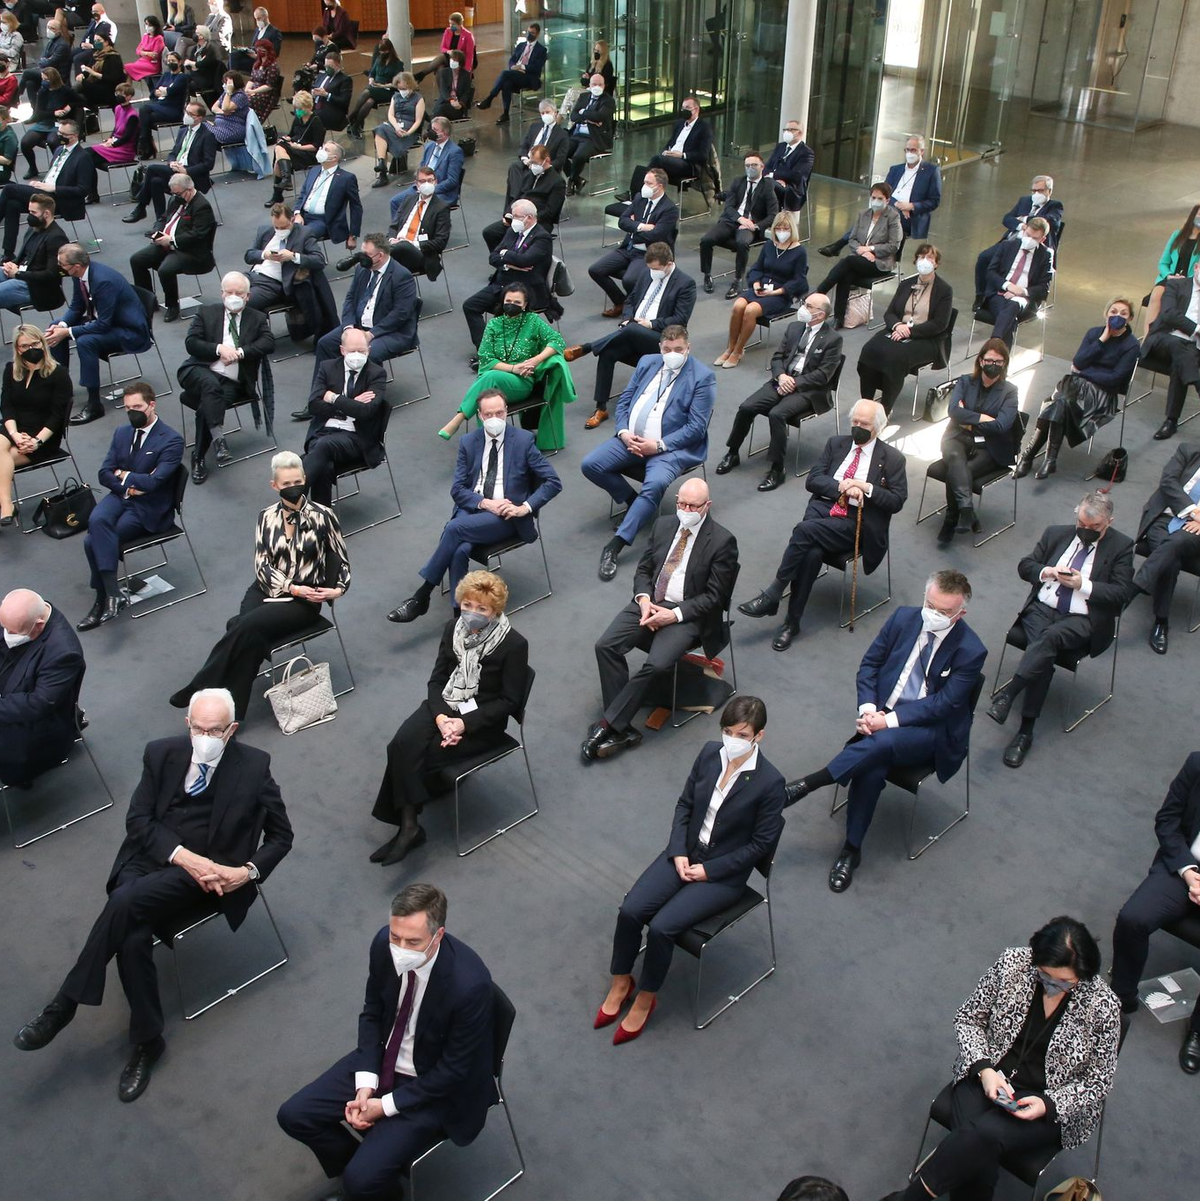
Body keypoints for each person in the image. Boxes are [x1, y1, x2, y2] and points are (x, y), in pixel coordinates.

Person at [12, 687, 292, 1103]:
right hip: (155, 858)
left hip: (209, 876)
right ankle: (148, 1040)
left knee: (124, 904)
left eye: (215, 729)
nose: (206, 735)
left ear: (231, 729)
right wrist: (183, 857)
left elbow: (281, 836)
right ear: (187, 724)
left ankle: (64, 1004)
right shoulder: (161, 753)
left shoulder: (255, 766)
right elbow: (138, 821)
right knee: (132, 936)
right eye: (199, 727)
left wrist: (245, 872)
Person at [878, 917, 1120, 1201]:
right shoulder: (1013, 964)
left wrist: (1048, 1104)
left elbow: (1097, 1082)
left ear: (1083, 974)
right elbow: (968, 1019)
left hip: (1047, 1100)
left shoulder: (1103, 1006)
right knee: (979, 1156)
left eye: (1065, 983)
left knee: (981, 1138)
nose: (1053, 986)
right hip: (986, 1075)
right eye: (1045, 976)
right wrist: (984, 1069)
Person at [276, 884, 495, 1193]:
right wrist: (366, 1082)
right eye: (396, 937)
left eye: (413, 941)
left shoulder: (469, 986)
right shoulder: (383, 944)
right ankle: (369, 1178)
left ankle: (368, 1183)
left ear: (439, 936)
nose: (400, 949)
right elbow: (372, 1011)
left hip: (432, 1088)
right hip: (383, 1062)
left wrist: (385, 1106)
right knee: (294, 1115)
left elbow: (452, 1073)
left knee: (359, 1180)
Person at [782, 570, 985, 889]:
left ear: (960, 614)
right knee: (873, 765)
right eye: (929, 605)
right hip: (882, 718)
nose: (933, 615)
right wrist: (867, 710)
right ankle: (852, 848)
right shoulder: (903, 618)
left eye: (943, 612)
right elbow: (870, 665)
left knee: (880, 741)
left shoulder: (971, 650)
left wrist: (885, 722)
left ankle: (810, 783)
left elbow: (942, 706)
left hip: (931, 731)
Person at [598, 695, 784, 1041]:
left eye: (742, 734)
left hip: (722, 874)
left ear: (759, 736)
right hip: (686, 851)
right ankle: (622, 979)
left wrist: (709, 871)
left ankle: (646, 998)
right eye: (728, 731)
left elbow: (759, 846)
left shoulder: (770, 783)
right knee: (630, 910)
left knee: (662, 928)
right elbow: (685, 804)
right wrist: (678, 850)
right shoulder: (709, 754)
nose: (732, 740)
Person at [170, 453, 350, 719]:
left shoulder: (324, 516)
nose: (293, 487)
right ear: (274, 486)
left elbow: (342, 560)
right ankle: (233, 714)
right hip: (267, 589)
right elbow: (262, 565)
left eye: (298, 481)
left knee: (242, 626)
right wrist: (290, 586)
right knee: (248, 634)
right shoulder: (265, 517)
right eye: (286, 483)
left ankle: (203, 684)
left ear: (305, 480)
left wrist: (337, 590)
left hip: (303, 601)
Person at [372, 572, 529, 864]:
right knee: (400, 744)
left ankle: (409, 829)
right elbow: (436, 681)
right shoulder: (451, 630)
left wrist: (462, 724)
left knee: (420, 753)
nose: (472, 613)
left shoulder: (514, 645)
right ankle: (409, 826)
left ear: (495, 610)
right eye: (468, 605)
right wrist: (442, 718)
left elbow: (510, 701)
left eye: (481, 608)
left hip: (482, 723)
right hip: (446, 703)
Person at [583, 478, 737, 761]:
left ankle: (608, 725)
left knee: (656, 665)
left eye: (692, 505)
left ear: (707, 506)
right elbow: (643, 570)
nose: (685, 509)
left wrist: (673, 614)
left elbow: (714, 598)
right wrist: (644, 600)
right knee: (605, 645)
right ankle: (621, 726)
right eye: (681, 503)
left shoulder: (722, 541)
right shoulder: (664, 525)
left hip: (687, 614)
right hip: (650, 602)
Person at [737, 400, 907, 650]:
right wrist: (842, 485)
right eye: (855, 422)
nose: (857, 427)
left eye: (864, 424)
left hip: (856, 522)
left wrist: (866, 488)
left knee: (804, 532)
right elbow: (814, 480)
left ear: (879, 427)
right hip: (823, 510)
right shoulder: (836, 444)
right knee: (812, 553)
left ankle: (774, 594)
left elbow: (896, 500)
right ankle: (791, 623)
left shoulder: (892, 459)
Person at [987, 492, 1133, 768]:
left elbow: (1121, 594)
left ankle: (1009, 695)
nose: (1086, 532)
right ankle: (1025, 731)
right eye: (1082, 524)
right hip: (1041, 609)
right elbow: (1025, 566)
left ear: (1109, 522)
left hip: (1081, 618)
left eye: (1095, 528)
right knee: (1044, 652)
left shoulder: (1122, 547)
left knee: (1048, 640)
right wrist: (1048, 572)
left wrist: (1083, 585)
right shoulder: (1056, 534)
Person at [389, 390, 562, 624]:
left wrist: (525, 508)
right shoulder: (468, 442)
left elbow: (553, 482)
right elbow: (457, 490)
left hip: (506, 514)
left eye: (499, 412)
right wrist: (484, 503)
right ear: (480, 416)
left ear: (506, 411)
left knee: (453, 530)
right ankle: (459, 615)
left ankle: (422, 595)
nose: (495, 418)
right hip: (475, 507)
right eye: (488, 414)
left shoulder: (523, 441)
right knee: (459, 550)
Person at [582, 325, 715, 580]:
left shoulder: (702, 377)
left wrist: (659, 445)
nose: (672, 353)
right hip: (630, 439)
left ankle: (616, 545)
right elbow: (624, 401)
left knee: (654, 485)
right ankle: (634, 503)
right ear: (660, 348)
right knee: (591, 464)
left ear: (688, 348)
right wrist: (623, 432)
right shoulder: (647, 362)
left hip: (669, 448)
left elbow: (696, 428)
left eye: (678, 349)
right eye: (667, 349)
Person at [1111, 753, 1200, 1073]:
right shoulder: (1197, 764)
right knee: (1132, 918)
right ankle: (1121, 995)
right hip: (1183, 867)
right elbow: (1167, 820)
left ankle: (1198, 1032)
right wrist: (1189, 872)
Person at [77, 382, 183, 630]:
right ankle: (113, 593)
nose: (132, 412)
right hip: (120, 496)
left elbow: (155, 482)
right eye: (127, 408)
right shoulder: (122, 433)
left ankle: (102, 597)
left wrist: (123, 474)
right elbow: (104, 472)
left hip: (149, 508)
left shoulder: (171, 440)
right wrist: (127, 485)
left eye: (137, 406)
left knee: (91, 541)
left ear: (151, 405)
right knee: (96, 521)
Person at [715, 294, 841, 492]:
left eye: (808, 306)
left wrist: (794, 383)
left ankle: (777, 468)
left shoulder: (833, 339)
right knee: (746, 407)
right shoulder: (794, 328)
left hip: (808, 390)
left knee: (777, 414)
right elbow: (777, 357)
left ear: (820, 314)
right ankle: (733, 452)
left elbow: (823, 376)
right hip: (781, 380)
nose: (803, 308)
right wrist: (781, 376)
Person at [564, 243, 697, 430]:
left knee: (632, 330)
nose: (653, 272)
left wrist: (650, 324)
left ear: (669, 263)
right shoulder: (646, 273)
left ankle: (587, 347)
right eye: (650, 268)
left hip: (661, 340)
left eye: (656, 269)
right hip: (632, 333)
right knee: (608, 351)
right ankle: (600, 408)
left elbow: (680, 320)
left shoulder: (685, 283)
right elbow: (631, 300)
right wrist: (627, 318)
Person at [438, 282, 574, 450]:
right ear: (502, 302)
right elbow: (486, 358)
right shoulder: (494, 325)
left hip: (522, 383)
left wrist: (536, 360)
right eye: (508, 301)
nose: (512, 305)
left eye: (517, 302)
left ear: (525, 305)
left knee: (488, 380)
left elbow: (557, 341)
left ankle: (459, 419)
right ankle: (489, 442)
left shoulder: (532, 321)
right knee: (487, 386)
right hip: (499, 377)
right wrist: (512, 368)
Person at [1016, 299, 1141, 480]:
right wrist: (1102, 340)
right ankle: (1049, 460)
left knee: (1058, 403)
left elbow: (1115, 378)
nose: (1117, 316)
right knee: (1061, 403)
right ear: (1106, 314)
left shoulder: (1131, 345)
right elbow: (1079, 362)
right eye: (1113, 311)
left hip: (1101, 394)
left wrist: (1085, 373)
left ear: (1129, 319)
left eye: (1123, 313)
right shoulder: (1094, 334)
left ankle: (1028, 456)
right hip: (1075, 386)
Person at [177, 272, 273, 484]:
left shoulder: (257, 318)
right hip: (199, 370)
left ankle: (199, 457)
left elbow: (268, 343)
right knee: (210, 385)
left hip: (232, 380)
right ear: (221, 294)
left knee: (207, 405)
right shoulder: (206, 312)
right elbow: (191, 343)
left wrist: (239, 353)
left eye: (239, 293)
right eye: (229, 292)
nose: (233, 296)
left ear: (247, 296)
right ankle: (218, 440)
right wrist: (219, 348)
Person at [49, 242, 150, 427]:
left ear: (76, 266)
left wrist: (68, 332)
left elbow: (103, 325)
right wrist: (62, 326)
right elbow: (77, 307)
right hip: (106, 322)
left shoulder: (103, 280)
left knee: (86, 342)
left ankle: (95, 405)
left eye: (62, 265)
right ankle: (61, 387)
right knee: (55, 326)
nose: (59, 268)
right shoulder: (77, 275)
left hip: (128, 331)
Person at [935, 339, 1020, 544]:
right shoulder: (965, 381)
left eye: (998, 362)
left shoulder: (1010, 391)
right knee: (955, 458)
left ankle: (952, 518)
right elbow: (954, 411)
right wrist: (983, 418)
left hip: (991, 445)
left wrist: (970, 421)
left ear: (1004, 364)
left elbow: (1002, 426)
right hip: (956, 436)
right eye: (989, 360)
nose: (993, 365)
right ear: (981, 361)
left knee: (959, 471)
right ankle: (966, 510)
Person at [856, 243, 953, 414]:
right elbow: (890, 313)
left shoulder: (944, 290)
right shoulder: (906, 284)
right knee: (870, 350)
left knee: (895, 358)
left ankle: (885, 409)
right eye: (921, 257)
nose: (925, 261)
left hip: (926, 338)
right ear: (915, 260)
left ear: (936, 263)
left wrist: (910, 331)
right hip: (897, 330)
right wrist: (898, 326)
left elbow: (940, 324)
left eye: (930, 257)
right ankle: (867, 402)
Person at [0, 588, 84, 786]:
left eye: (12, 631)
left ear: (38, 625)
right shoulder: (14, 616)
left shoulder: (64, 653)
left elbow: (38, 704)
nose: (7, 634)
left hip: (34, 725)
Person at [1127, 442, 1200, 655]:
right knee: (1170, 558)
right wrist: (1193, 512)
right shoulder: (1189, 449)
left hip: (1196, 532)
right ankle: (1161, 621)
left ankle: (1131, 591)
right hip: (1167, 516)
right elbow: (1168, 482)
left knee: (1175, 544)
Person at [301, 327, 386, 507]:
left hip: (356, 438)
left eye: (361, 351)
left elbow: (366, 411)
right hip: (323, 432)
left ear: (368, 350)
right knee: (324, 465)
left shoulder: (376, 374)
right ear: (342, 350)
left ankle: (293, 498)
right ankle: (322, 520)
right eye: (352, 351)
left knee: (322, 448)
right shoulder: (327, 367)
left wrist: (334, 397)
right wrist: (351, 404)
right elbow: (314, 405)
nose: (357, 355)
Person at [713, 212, 808, 370]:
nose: (781, 231)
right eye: (778, 228)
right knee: (738, 306)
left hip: (780, 294)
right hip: (762, 287)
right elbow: (757, 268)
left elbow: (799, 280)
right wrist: (756, 284)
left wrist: (776, 292)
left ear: (792, 229)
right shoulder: (770, 245)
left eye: (785, 228)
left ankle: (737, 351)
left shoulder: (800, 252)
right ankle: (730, 347)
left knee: (750, 310)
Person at [0, 325, 72, 524]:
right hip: (13, 427)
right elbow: (6, 406)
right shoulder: (11, 370)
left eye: (35, 343)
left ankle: (5, 505)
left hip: (43, 434)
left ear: (43, 343)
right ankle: (6, 504)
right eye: (25, 345)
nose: (31, 348)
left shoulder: (59, 374)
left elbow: (57, 416)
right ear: (17, 349)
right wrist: (14, 434)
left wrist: (37, 442)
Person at [461, 198, 554, 349]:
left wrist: (505, 254)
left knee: (506, 312)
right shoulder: (513, 231)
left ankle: (503, 351)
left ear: (528, 218)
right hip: (502, 283)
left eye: (516, 216)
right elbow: (493, 257)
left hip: (526, 288)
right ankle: (484, 349)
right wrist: (509, 263)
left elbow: (525, 260)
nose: (512, 219)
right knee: (470, 306)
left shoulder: (542, 238)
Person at [314, 234, 416, 369]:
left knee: (368, 353)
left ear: (380, 256)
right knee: (325, 343)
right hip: (358, 327)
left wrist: (370, 334)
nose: (362, 258)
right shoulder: (362, 269)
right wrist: (348, 327)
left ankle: (365, 388)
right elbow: (350, 299)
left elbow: (399, 315)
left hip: (390, 332)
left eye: (366, 254)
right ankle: (324, 388)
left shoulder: (402, 276)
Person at [589, 168, 679, 316]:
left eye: (648, 183)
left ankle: (636, 310)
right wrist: (641, 226)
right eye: (644, 182)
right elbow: (622, 221)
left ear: (660, 186)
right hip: (628, 248)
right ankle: (621, 302)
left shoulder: (669, 209)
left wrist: (633, 227)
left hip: (647, 253)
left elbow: (655, 235)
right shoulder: (639, 198)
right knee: (596, 270)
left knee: (629, 280)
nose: (644, 186)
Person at [129, 171, 216, 324]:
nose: (175, 196)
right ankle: (148, 299)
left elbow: (197, 236)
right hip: (167, 243)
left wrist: (171, 240)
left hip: (191, 251)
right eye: (173, 193)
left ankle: (172, 306)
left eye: (178, 193)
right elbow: (163, 218)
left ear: (189, 190)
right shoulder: (175, 199)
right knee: (136, 260)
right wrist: (157, 231)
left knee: (165, 270)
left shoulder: (202, 206)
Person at [1, 119, 95, 260]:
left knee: (9, 189)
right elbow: (54, 174)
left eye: (63, 134)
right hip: (45, 191)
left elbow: (83, 190)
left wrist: (54, 188)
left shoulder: (83, 157)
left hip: (60, 200)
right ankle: (8, 254)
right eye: (59, 132)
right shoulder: (58, 150)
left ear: (75, 136)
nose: (59, 136)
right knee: (11, 205)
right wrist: (41, 183)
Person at [812, 182, 901, 329]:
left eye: (880, 199)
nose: (876, 201)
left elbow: (893, 246)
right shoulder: (863, 214)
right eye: (873, 197)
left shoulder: (893, 217)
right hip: (861, 258)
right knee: (846, 274)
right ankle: (839, 318)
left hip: (880, 262)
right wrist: (863, 251)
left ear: (887, 200)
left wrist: (871, 249)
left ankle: (820, 292)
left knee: (847, 262)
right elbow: (852, 239)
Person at [973, 174, 1064, 307]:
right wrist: (1021, 225)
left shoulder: (1055, 206)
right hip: (1012, 243)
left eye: (1040, 191)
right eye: (1034, 191)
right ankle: (981, 295)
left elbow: (1048, 222)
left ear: (1049, 191)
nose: (1036, 194)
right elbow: (1007, 218)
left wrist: (1024, 218)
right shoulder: (1024, 201)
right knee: (983, 258)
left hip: (1034, 246)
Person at [698, 151, 779, 299]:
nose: (750, 168)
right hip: (732, 221)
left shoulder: (767, 186)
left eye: (754, 165)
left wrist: (755, 226)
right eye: (747, 165)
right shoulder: (738, 182)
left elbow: (773, 215)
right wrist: (741, 219)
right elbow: (728, 207)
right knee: (706, 240)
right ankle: (707, 274)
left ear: (762, 166)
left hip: (751, 225)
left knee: (742, 243)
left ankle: (737, 280)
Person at [245, 202, 330, 335]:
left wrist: (293, 256)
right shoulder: (265, 230)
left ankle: (247, 339)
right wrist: (264, 255)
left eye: (283, 227)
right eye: (276, 227)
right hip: (253, 275)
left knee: (242, 302)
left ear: (292, 220)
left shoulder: (304, 234)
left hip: (272, 284)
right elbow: (249, 256)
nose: (280, 230)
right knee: (229, 288)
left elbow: (319, 260)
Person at [125, 99, 217, 222]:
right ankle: (161, 220)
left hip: (191, 176)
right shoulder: (183, 130)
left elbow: (208, 164)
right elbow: (173, 153)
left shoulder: (208, 136)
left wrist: (186, 171)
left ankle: (141, 207)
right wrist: (171, 162)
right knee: (155, 181)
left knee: (152, 169)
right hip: (175, 170)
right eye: (186, 112)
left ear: (199, 118)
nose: (186, 115)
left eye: (190, 114)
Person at [1139, 259, 1200, 441]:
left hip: (1192, 348)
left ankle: (1171, 421)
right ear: (1196, 268)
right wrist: (1197, 329)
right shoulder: (1176, 284)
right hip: (1164, 338)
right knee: (1178, 346)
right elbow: (1169, 314)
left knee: (1181, 359)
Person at [978, 215, 1053, 349]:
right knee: (1009, 319)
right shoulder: (1008, 246)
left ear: (1042, 239)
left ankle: (993, 346)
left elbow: (1043, 288)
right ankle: (999, 355)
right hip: (999, 293)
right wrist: (1009, 286)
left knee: (1013, 304)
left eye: (1034, 238)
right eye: (1027, 234)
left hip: (1024, 298)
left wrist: (1021, 292)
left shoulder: (1045, 255)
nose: (1029, 239)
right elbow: (990, 272)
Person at [484, 142, 564, 250]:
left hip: (539, 221)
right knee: (490, 232)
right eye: (531, 162)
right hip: (519, 216)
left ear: (547, 160)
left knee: (511, 235)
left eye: (535, 163)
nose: (532, 166)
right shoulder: (530, 175)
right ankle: (502, 261)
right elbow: (518, 197)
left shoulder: (557, 182)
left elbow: (550, 211)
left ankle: (514, 260)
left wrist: (529, 220)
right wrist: (508, 213)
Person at [626, 97, 712, 196]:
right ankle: (641, 194)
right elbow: (670, 143)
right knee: (646, 169)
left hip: (688, 164)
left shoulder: (704, 128)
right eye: (683, 108)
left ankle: (635, 195)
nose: (684, 110)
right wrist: (665, 151)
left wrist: (682, 155)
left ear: (696, 109)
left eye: (687, 107)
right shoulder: (680, 123)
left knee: (656, 160)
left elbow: (703, 155)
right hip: (671, 160)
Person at [0, 192, 68, 318]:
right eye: (29, 212)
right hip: (20, 273)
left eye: (33, 213)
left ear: (46, 214)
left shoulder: (56, 237)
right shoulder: (34, 228)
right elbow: (25, 257)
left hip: (36, 287)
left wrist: (18, 274)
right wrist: (12, 264)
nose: (30, 216)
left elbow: (52, 274)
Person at [386, 165, 450, 284]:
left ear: (435, 182)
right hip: (396, 247)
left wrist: (411, 244)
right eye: (422, 181)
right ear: (416, 184)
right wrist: (391, 239)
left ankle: (375, 255)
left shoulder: (441, 208)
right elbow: (393, 226)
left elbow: (441, 242)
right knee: (383, 254)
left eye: (430, 180)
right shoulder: (409, 199)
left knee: (398, 249)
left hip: (421, 254)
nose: (427, 184)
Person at [293, 140, 361, 250]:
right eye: (322, 148)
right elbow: (303, 194)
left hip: (323, 220)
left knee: (300, 237)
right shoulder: (314, 170)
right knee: (278, 231)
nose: (321, 151)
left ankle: (305, 264)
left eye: (326, 150)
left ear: (334, 158)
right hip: (302, 215)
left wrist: (353, 235)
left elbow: (356, 207)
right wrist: (297, 213)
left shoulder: (346, 178)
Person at [388, 116, 464, 215]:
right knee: (395, 202)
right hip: (421, 188)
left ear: (444, 132)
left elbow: (452, 181)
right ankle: (400, 229)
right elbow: (422, 167)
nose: (431, 132)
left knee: (418, 207)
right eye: (431, 129)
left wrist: (430, 190)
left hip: (441, 192)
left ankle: (419, 229)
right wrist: (419, 181)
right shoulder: (429, 146)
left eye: (435, 130)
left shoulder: (455, 152)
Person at [18, 68, 82, 181]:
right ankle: (33, 168)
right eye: (43, 79)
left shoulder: (65, 90)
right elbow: (38, 113)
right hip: (44, 122)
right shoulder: (43, 92)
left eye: (46, 79)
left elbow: (82, 100)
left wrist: (70, 106)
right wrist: (53, 112)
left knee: (54, 141)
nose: (43, 81)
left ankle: (57, 168)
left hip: (58, 124)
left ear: (53, 79)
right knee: (25, 142)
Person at [476, 21, 545, 124]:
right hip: (515, 74)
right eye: (528, 32)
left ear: (538, 34)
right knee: (506, 84)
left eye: (533, 33)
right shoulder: (521, 45)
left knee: (505, 74)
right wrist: (513, 66)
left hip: (529, 78)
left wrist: (522, 66)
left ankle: (489, 98)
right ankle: (505, 113)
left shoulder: (541, 50)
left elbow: (537, 67)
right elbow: (512, 60)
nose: (529, 34)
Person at [1144, 204, 1200, 329]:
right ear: (1194, 215)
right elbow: (1163, 263)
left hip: (1189, 283)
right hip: (1169, 279)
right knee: (1157, 295)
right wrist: (1169, 276)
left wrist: (1184, 279)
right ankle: (1148, 337)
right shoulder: (1177, 235)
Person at [265, 89, 323, 204]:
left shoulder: (316, 121)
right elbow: (291, 135)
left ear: (308, 107)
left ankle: (279, 192)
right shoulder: (298, 118)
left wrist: (298, 147)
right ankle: (286, 180)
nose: (297, 111)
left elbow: (316, 146)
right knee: (280, 150)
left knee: (279, 153)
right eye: (296, 108)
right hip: (293, 148)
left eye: (300, 109)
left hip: (308, 153)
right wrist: (287, 139)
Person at [563, 73, 616, 194]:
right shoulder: (583, 97)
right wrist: (588, 118)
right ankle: (577, 180)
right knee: (560, 151)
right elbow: (574, 115)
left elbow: (600, 116)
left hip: (594, 138)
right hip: (577, 135)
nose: (597, 86)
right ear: (590, 85)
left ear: (604, 86)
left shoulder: (608, 101)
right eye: (594, 84)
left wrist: (584, 112)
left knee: (578, 156)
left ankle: (571, 181)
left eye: (600, 84)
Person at [884, 132, 942, 241]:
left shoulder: (931, 171)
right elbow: (883, 193)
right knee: (868, 217)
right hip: (892, 208)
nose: (909, 153)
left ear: (922, 151)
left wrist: (911, 206)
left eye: (913, 150)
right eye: (907, 150)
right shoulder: (895, 169)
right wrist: (898, 205)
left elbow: (934, 201)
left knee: (885, 221)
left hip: (911, 216)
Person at [370, 69, 422, 186]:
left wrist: (408, 133)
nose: (402, 91)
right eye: (400, 88)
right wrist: (396, 127)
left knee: (382, 132)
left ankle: (382, 169)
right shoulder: (395, 97)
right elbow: (391, 115)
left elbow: (418, 120)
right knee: (380, 129)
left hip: (410, 128)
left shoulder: (418, 99)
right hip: (396, 125)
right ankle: (382, 164)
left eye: (404, 88)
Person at [135, 49, 190, 158]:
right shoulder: (166, 75)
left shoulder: (183, 77)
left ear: (179, 62)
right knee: (146, 118)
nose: (170, 63)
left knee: (144, 109)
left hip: (173, 110)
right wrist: (163, 91)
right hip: (160, 107)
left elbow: (172, 91)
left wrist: (164, 91)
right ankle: (147, 146)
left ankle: (145, 144)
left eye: (173, 60)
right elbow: (154, 92)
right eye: (168, 61)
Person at [345, 35, 399, 137]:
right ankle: (356, 126)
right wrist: (371, 79)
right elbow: (372, 72)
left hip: (388, 90)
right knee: (369, 101)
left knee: (367, 92)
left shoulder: (397, 64)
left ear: (389, 51)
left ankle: (352, 116)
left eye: (384, 51)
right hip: (375, 88)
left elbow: (397, 83)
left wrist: (382, 85)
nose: (381, 53)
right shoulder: (379, 59)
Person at [762, 118, 815, 213]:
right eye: (786, 130)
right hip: (773, 183)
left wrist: (773, 175)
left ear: (800, 133)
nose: (787, 132)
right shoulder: (780, 146)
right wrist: (772, 177)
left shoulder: (807, 153)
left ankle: (769, 220)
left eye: (791, 130)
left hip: (792, 189)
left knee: (768, 185)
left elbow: (797, 175)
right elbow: (767, 166)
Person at [19, 16, 72, 106]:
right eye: (48, 27)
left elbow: (50, 62)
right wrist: (46, 60)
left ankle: (16, 97)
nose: (49, 30)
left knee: (27, 73)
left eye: (52, 28)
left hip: (57, 75)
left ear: (59, 31)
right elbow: (41, 59)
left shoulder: (62, 45)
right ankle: (36, 110)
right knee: (29, 83)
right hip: (46, 72)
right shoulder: (51, 42)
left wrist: (46, 60)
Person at [416, 10, 476, 81]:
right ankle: (442, 91)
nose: (451, 26)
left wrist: (467, 71)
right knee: (440, 68)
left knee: (442, 57)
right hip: (449, 56)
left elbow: (469, 55)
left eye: (453, 24)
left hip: (460, 60)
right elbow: (442, 48)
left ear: (460, 24)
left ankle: (421, 75)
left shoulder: (468, 35)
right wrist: (448, 51)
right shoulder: (448, 31)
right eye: (450, 23)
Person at [517, 98, 569, 175]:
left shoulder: (562, 134)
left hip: (545, 168)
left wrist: (543, 167)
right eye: (542, 113)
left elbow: (560, 159)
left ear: (555, 113)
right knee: (514, 168)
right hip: (528, 163)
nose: (545, 115)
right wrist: (524, 159)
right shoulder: (534, 127)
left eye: (547, 112)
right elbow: (524, 145)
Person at [74, 29, 123, 110]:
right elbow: (88, 70)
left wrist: (94, 73)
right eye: (95, 40)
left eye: (99, 40)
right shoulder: (96, 55)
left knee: (79, 88)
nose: (96, 43)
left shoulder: (113, 57)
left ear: (106, 42)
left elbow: (113, 79)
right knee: (77, 98)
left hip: (108, 89)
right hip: (95, 86)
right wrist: (82, 74)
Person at [310, 47, 350, 132]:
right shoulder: (322, 75)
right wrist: (313, 93)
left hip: (332, 110)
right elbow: (314, 87)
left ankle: (309, 141)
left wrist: (326, 95)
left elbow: (344, 101)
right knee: (300, 112)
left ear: (338, 65)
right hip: (315, 107)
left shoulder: (345, 80)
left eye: (330, 66)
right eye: (326, 66)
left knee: (310, 118)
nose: (327, 68)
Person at [184, 25, 224, 107]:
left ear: (201, 36)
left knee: (188, 83)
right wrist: (195, 65)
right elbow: (188, 65)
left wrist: (193, 64)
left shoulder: (211, 49)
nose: (194, 34)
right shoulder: (195, 49)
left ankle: (191, 105)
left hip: (208, 77)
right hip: (196, 75)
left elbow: (205, 63)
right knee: (183, 79)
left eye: (196, 33)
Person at [210, 69, 249, 150]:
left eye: (227, 83)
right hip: (220, 127)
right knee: (196, 127)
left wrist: (229, 92)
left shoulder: (240, 96)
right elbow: (214, 108)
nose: (225, 85)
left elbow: (225, 107)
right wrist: (223, 113)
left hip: (233, 129)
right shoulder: (225, 94)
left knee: (202, 131)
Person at [432, 45, 473, 121]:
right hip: (445, 101)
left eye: (455, 60)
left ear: (460, 63)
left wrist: (460, 103)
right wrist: (451, 100)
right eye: (451, 60)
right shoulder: (444, 73)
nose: (452, 62)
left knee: (440, 111)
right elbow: (443, 90)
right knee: (440, 109)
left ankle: (431, 130)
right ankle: (433, 130)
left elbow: (466, 92)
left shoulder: (466, 75)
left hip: (458, 106)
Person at [244, 38, 279, 123]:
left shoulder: (273, 66)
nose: (258, 51)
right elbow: (252, 79)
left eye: (261, 49)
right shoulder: (257, 63)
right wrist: (247, 90)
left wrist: (254, 91)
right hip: (253, 91)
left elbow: (269, 86)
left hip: (265, 94)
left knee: (246, 102)